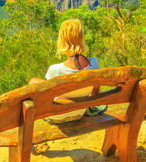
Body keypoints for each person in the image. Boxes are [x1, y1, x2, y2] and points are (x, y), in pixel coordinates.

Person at [29, 18, 107, 153]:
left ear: (62, 41)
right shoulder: (94, 64)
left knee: (33, 83)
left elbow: (47, 100)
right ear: (81, 38)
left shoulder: (55, 70)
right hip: (79, 112)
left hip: (57, 116)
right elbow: (95, 95)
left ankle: (37, 142)